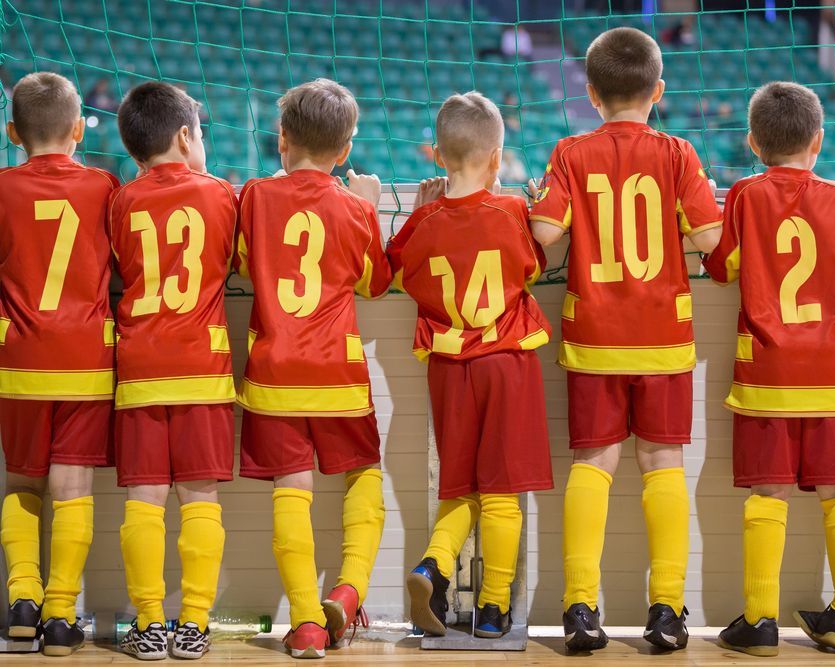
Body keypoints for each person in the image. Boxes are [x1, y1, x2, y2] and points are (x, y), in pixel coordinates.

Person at [529, 27, 723, 652]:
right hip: (663, 335)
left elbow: (546, 233)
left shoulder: (569, 152)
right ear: (658, 91)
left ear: (591, 94)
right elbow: (712, 242)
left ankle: (580, 610)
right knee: (663, 465)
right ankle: (666, 611)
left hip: (595, 336)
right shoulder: (679, 153)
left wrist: (536, 201)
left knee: (593, 466)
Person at [703, 81, 835, 657]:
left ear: (754, 143)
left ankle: (760, 622)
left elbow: (723, 267)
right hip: (830, 370)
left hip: (768, 373)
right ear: (820, 140)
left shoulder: (745, 196)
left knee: (768, 493)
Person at [233, 79, 392, 659]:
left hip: (273, 370)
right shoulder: (353, 207)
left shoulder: (252, 195)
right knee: (364, 476)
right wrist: (370, 211)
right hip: (337, 372)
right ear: (345, 151)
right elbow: (376, 283)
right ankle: (349, 592)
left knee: (290, 492)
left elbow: (245, 266)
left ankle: (304, 624)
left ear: (282, 138)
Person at [388, 92, 553, 640]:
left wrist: (419, 213)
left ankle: (432, 564)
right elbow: (533, 261)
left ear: (437, 156)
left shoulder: (423, 221)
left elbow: (398, 266)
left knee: (459, 487)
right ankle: (493, 608)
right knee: (503, 491)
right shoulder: (509, 211)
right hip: (505, 360)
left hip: (448, 367)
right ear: (498, 157)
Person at [110, 81, 238, 661]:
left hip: (139, 367)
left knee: (143, 500)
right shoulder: (222, 196)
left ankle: (148, 624)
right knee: (200, 499)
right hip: (201, 365)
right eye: (201, 131)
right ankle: (194, 624)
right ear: (185, 136)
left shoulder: (120, 201)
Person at [0, 71, 118, 657]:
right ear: (78, 128)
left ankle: (21, 600)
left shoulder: (1, 187)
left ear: (12, 131)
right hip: (86, 357)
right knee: (72, 487)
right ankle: (58, 616)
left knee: (21, 481)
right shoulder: (104, 186)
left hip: (19, 358)